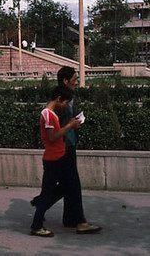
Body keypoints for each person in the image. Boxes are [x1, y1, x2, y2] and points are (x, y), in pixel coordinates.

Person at [31, 66, 97, 229]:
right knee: (72, 183)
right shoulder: (56, 105)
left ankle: (52, 208)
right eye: (75, 79)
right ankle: (76, 220)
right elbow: (53, 132)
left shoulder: (66, 98)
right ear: (65, 81)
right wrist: (70, 125)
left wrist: (74, 124)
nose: (77, 82)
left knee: (68, 184)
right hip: (61, 148)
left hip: (67, 145)